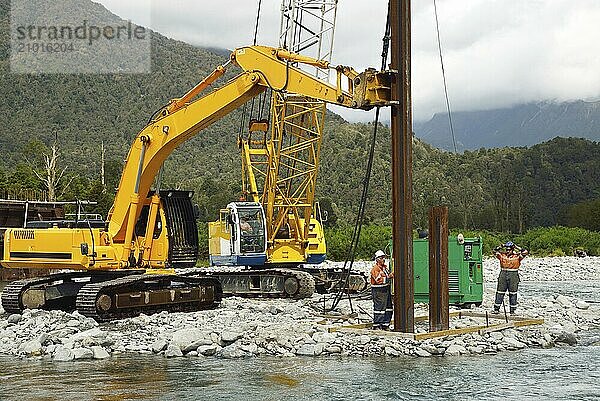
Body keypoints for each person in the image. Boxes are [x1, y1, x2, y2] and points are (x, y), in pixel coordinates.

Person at [493, 241, 528, 315]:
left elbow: (525, 252)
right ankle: (496, 309)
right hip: (503, 274)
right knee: (500, 292)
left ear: (512, 249)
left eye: (509, 249)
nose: (508, 251)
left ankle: (512, 311)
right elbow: (494, 251)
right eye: (507, 249)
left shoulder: (517, 256)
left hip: (513, 274)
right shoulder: (502, 255)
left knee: (513, 293)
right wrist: (501, 246)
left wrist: (516, 246)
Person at [370, 250, 393, 330]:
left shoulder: (384, 268)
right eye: (381, 258)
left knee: (388, 307)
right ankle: (377, 325)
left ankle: (385, 324)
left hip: (386, 289)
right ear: (377, 259)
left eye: (384, 257)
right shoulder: (375, 269)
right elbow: (379, 281)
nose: (383, 259)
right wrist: (389, 277)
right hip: (378, 291)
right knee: (379, 309)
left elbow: (387, 276)